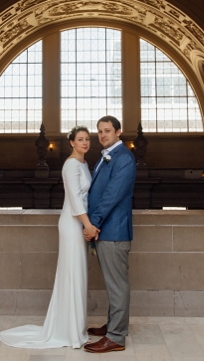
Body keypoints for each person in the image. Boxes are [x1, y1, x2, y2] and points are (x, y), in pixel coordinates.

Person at [0, 126, 97, 349]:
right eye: (80, 139)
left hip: (80, 222)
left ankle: (76, 329)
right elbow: (74, 198)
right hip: (73, 224)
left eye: (87, 139)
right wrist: (88, 225)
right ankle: (69, 333)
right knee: (72, 273)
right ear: (71, 142)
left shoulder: (83, 164)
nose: (85, 143)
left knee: (78, 274)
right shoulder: (71, 164)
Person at [82, 116, 136, 353]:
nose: (103, 135)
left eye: (107, 131)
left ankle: (116, 336)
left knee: (118, 285)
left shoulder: (123, 158)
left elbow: (112, 195)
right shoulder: (106, 157)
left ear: (118, 132)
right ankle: (113, 325)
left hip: (113, 231)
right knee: (113, 283)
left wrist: (93, 223)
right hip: (106, 231)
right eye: (100, 132)